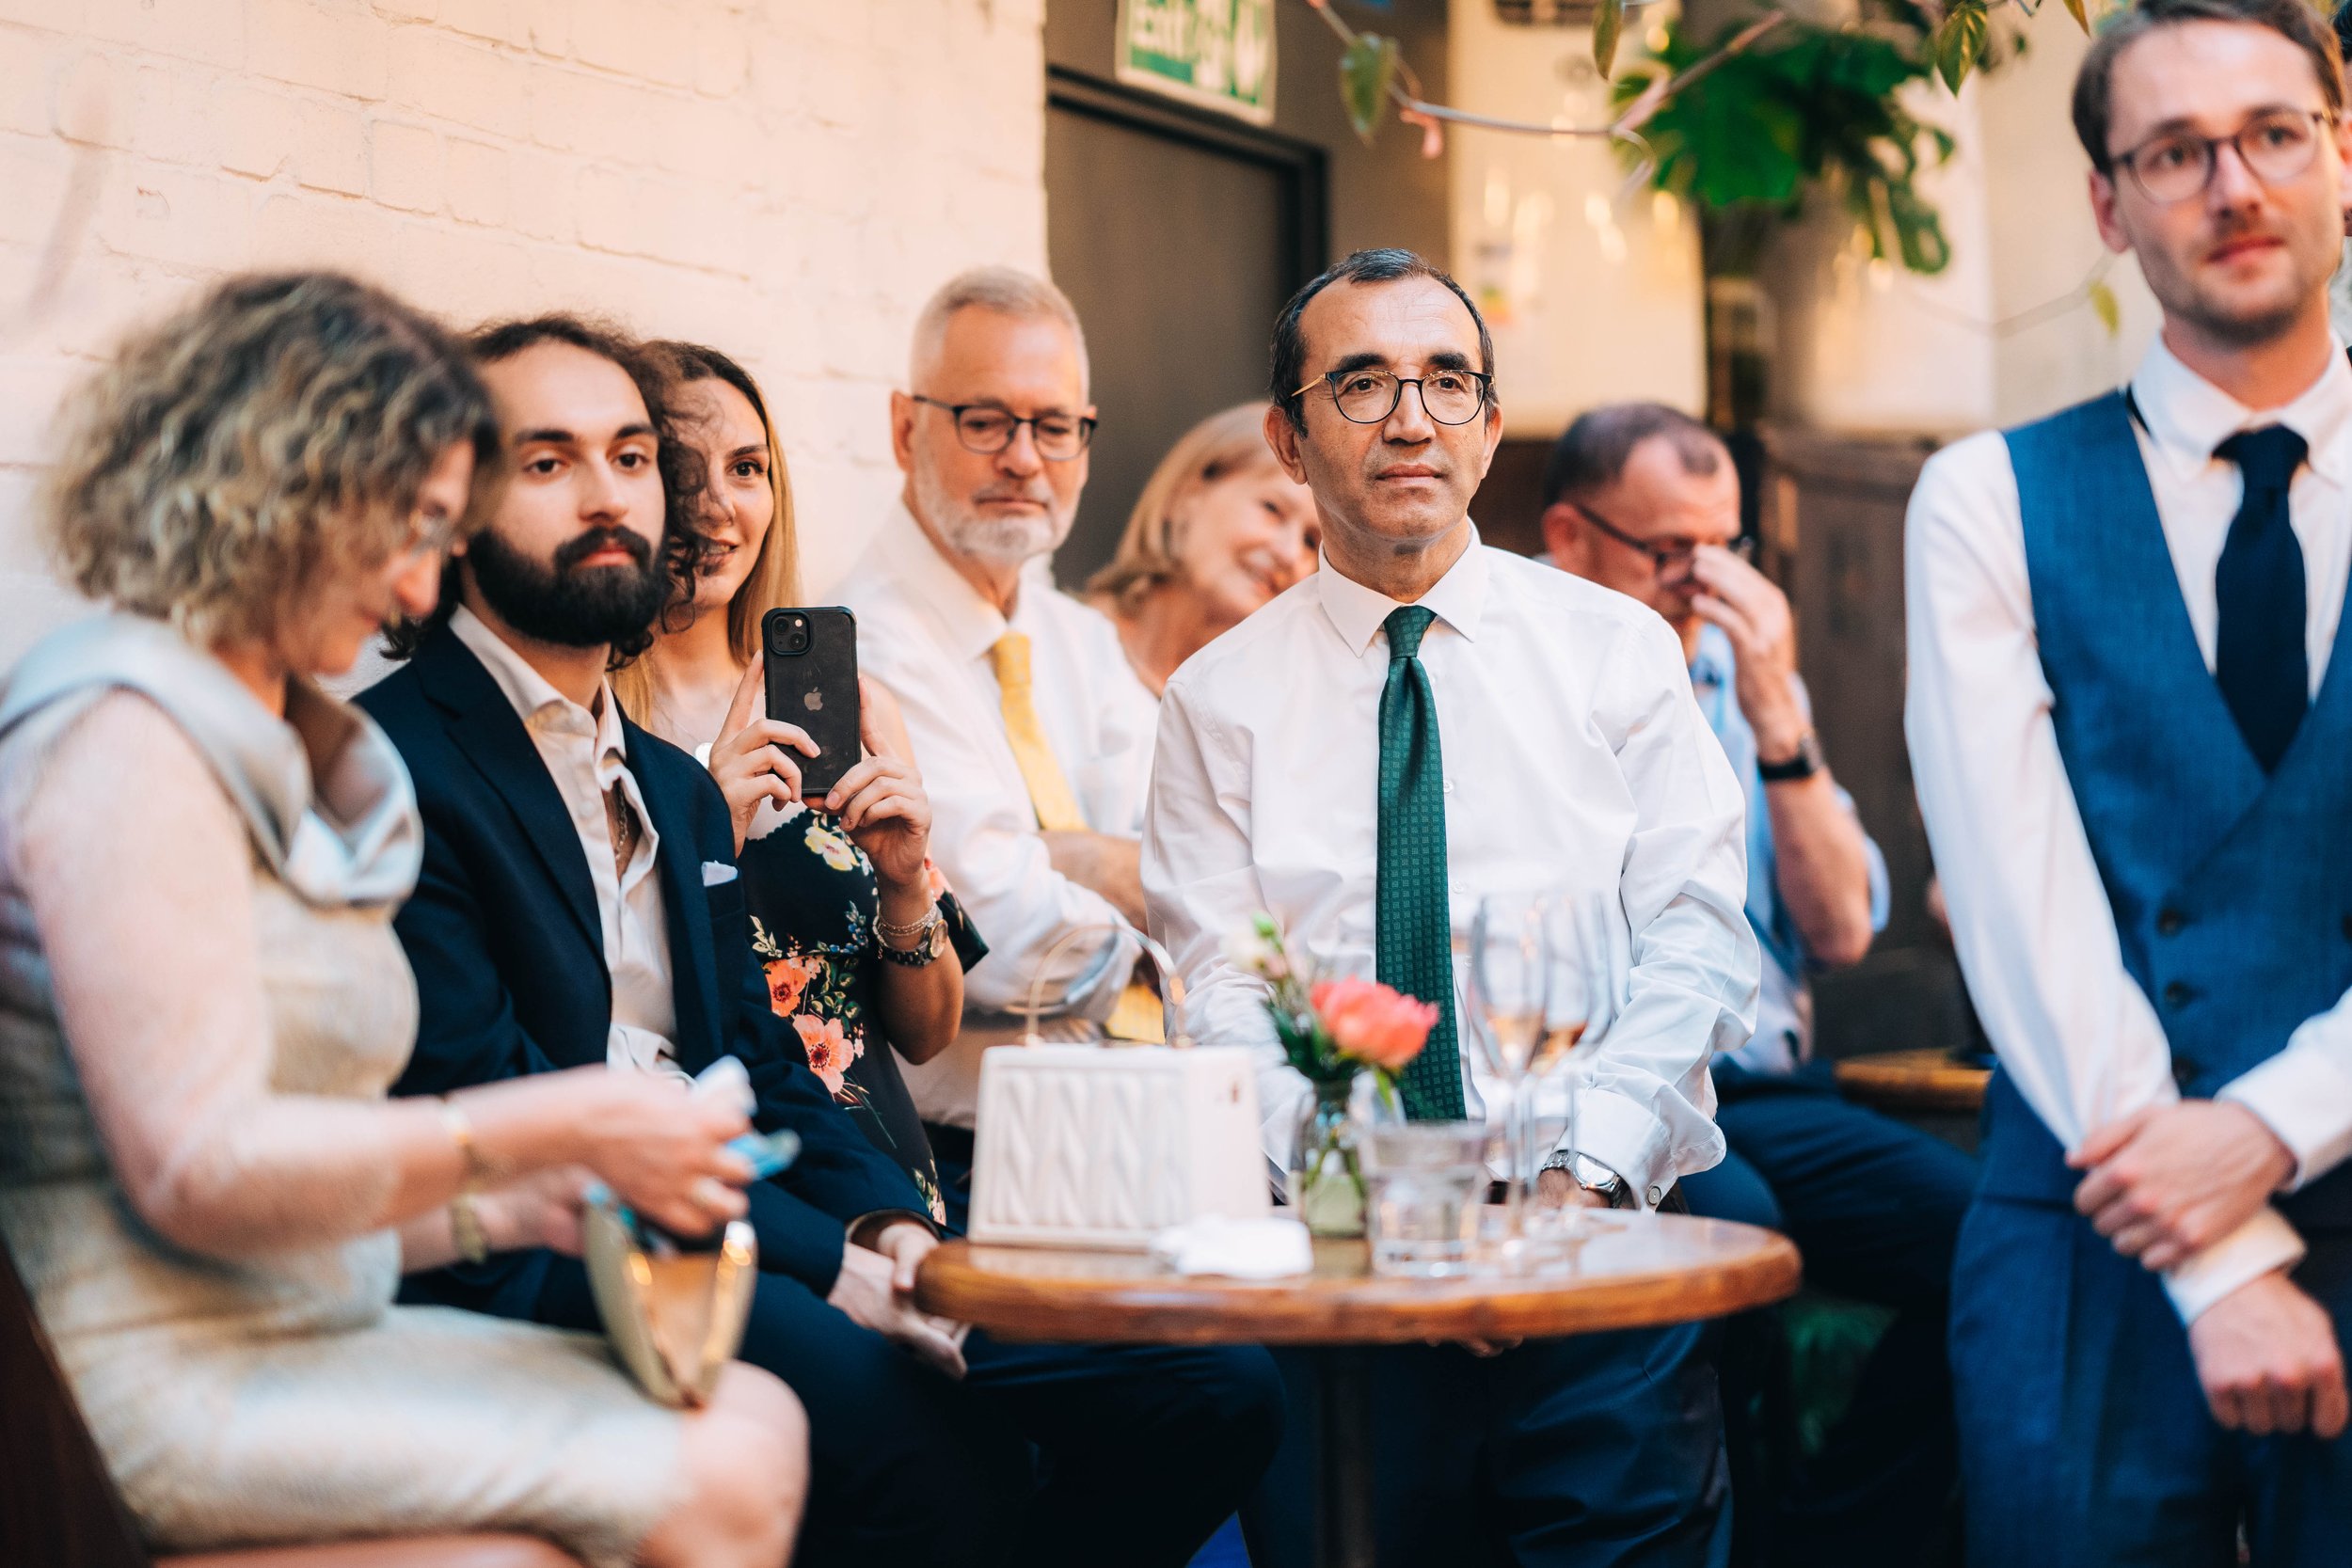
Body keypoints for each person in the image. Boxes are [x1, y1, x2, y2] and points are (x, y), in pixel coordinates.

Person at [365, 314, 1283, 1568]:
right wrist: (824, 1259)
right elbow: (504, 1101)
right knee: (938, 1447)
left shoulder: (671, 788)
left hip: (782, 1202)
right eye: (546, 460)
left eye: (630, 457)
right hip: (569, 1245)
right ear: (452, 508)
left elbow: (771, 1064)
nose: (609, 494)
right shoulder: (395, 763)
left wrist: (893, 1235)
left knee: (1215, 1390)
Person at [0, 271, 803, 1568]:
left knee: (757, 1417)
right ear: (288, 489)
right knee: (725, 1465)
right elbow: (197, 1170)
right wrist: (562, 1123)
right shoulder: (125, 741)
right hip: (156, 1370)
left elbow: (297, 1190)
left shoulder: (256, 734)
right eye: (416, 529)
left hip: (293, 1319)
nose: (428, 583)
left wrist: (515, 1206)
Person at [1146, 247, 1760, 1568]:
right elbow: (1224, 996)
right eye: (1361, 382)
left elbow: (1700, 936)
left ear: (1489, 425)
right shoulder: (1214, 701)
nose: (1410, 418)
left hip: (1593, 1249)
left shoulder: (1617, 652)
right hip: (1342, 1284)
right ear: (1288, 437)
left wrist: (1581, 1181)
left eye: (1445, 381)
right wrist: (1380, 1211)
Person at [1907, 0, 2352, 1557]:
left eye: (2274, 133)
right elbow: (2015, 900)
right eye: (2174, 151)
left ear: (2344, 157)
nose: (2234, 186)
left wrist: (2272, 1130)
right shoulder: (1985, 496)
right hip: (2087, 1227)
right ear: (2109, 204)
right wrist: (2216, 1253)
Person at [1544, 402, 1976, 1566]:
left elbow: (1841, 927)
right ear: (1569, 537)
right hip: (1613, 1078)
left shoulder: (1736, 677)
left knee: (1987, 1238)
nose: (1704, 580)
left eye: (1724, 547)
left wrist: (1778, 706)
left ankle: (1833, 1542)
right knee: (1737, 1226)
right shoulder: (1530, 669)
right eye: (1669, 551)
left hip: (1763, 1083)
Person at [618, 341, 984, 1224]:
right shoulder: (597, 726)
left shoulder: (849, 708)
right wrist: (710, 827)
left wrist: (906, 881)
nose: (718, 506)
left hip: (890, 1186)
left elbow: (929, 1035)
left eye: (748, 468)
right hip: (725, 1191)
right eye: (680, 468)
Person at [836, 265, 1163, 1191]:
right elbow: (997, 940)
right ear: (906, 429)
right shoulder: (865, 647)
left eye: (1053, 426)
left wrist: (1071, 859)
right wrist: (1162, 926)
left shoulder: (1078, 639)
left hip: (1136, 1125)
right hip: (967, 1166)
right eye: (985, 421)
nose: (1024, 458)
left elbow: (1208, 847)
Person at [1085, 401, 1318, 757]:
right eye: (1272, 509)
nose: (1289, 553)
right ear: (1185, 497)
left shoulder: (1269, 730)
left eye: (1311, 543)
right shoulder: (1058, 644)